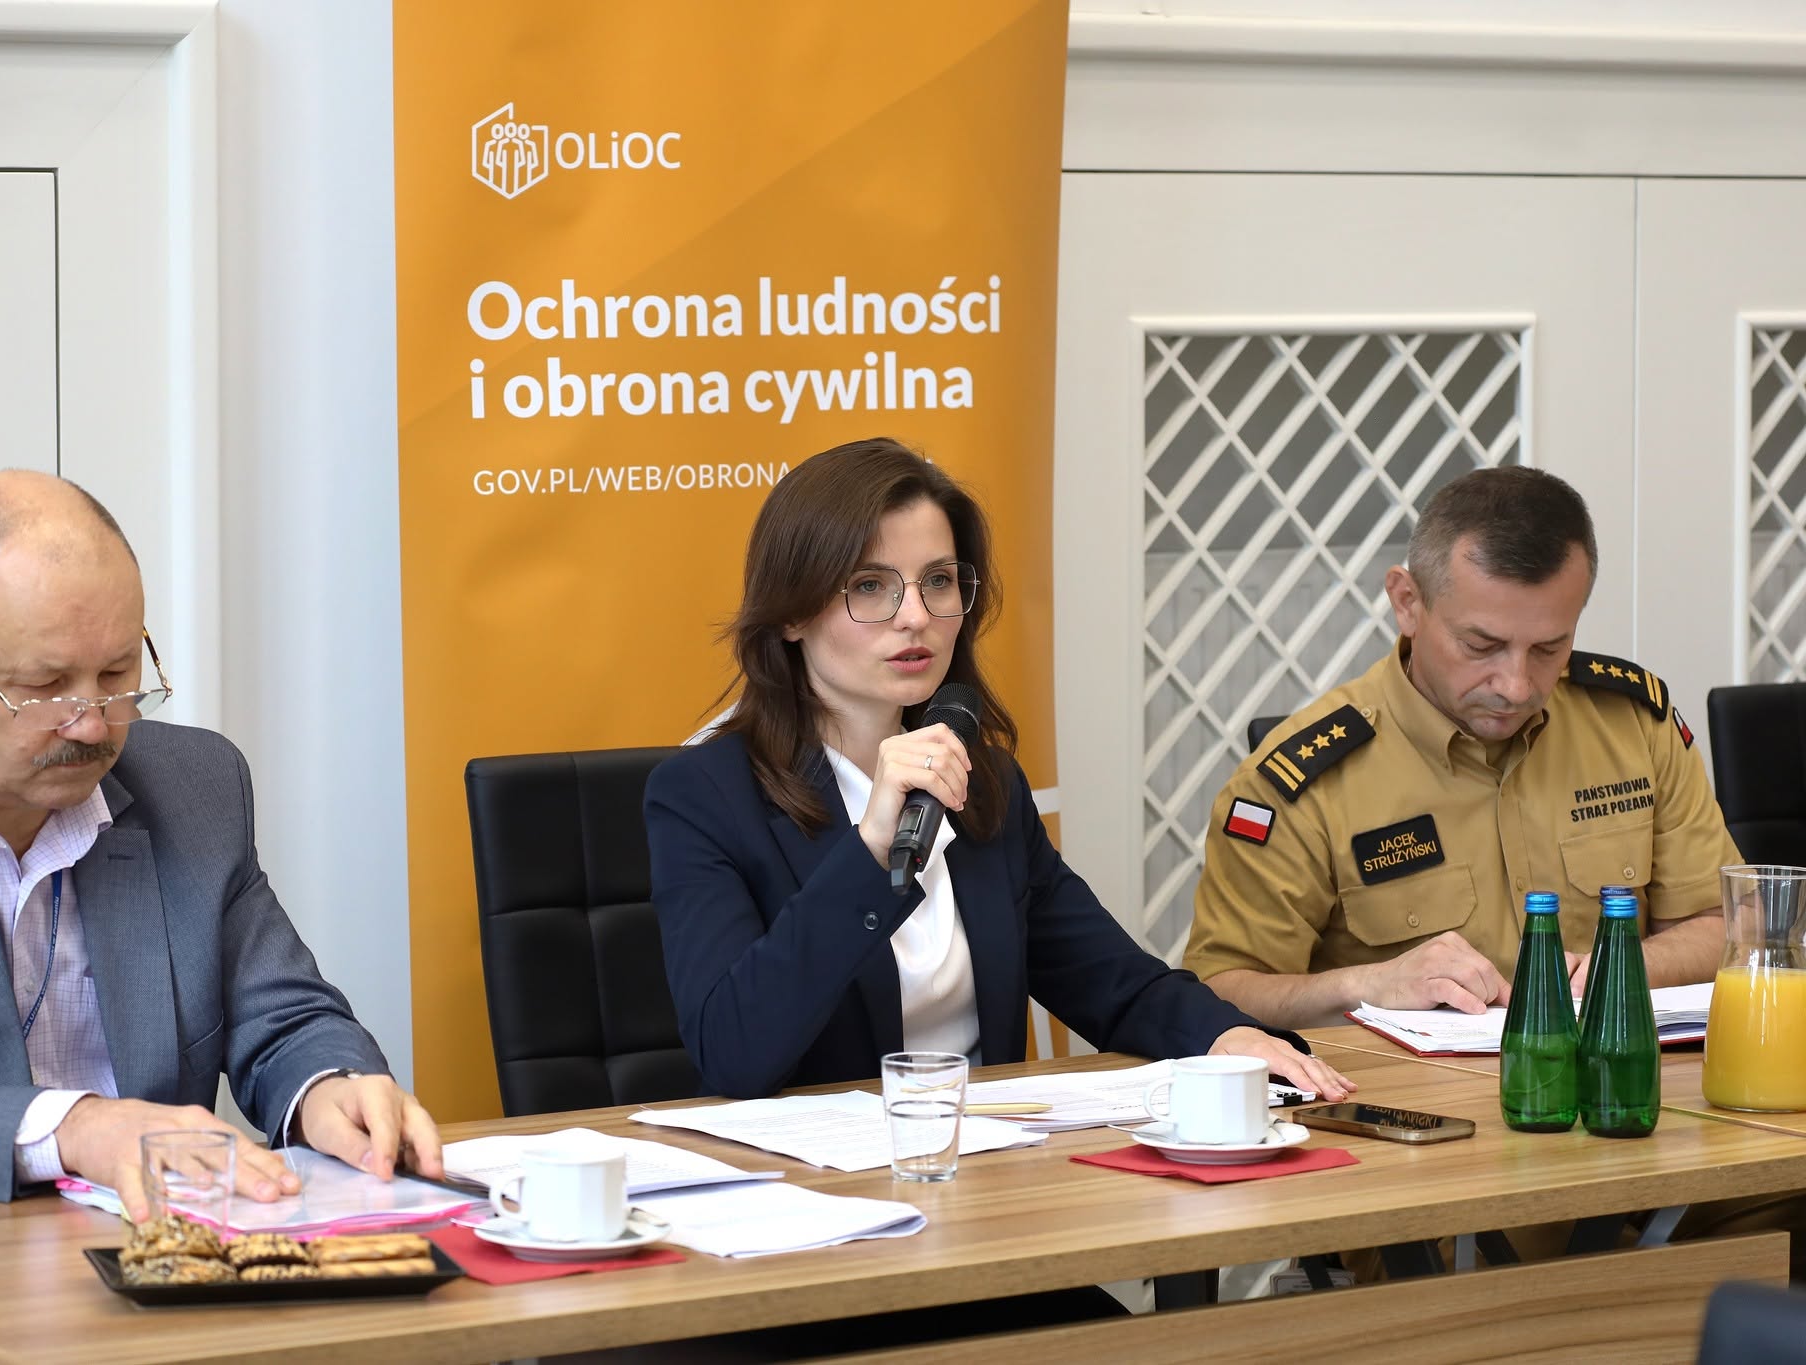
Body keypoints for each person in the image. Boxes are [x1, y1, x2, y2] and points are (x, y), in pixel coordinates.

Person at [0, 471, 441, 1220]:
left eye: (117, 673)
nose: (91, 725)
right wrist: (78, 1129)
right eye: (47, 684)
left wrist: (327, 1087)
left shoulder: (195, 784)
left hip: (156, 1251)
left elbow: (285, 1019)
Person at [646, 437, 1349, 1101]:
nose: (915, 616)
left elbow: (1111, 981)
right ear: (791, 614)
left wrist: (1225, 1037)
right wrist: (871, 850)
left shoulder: (985, 784)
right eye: (869, 585)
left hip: (986, 1164)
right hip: (817, 1177)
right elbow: (734, 1051)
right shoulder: (705, 796)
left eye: (939, 581)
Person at [1185, 465, 1734, 1030]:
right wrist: (1367, 985)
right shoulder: (1301, 782)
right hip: (1405, 1088)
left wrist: (1619, 969)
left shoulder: (1632, 726)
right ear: (1407, 602)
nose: (1516, 686)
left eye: (1549, 648)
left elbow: (1724, 924)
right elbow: (1220, 990)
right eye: (1481, 645)